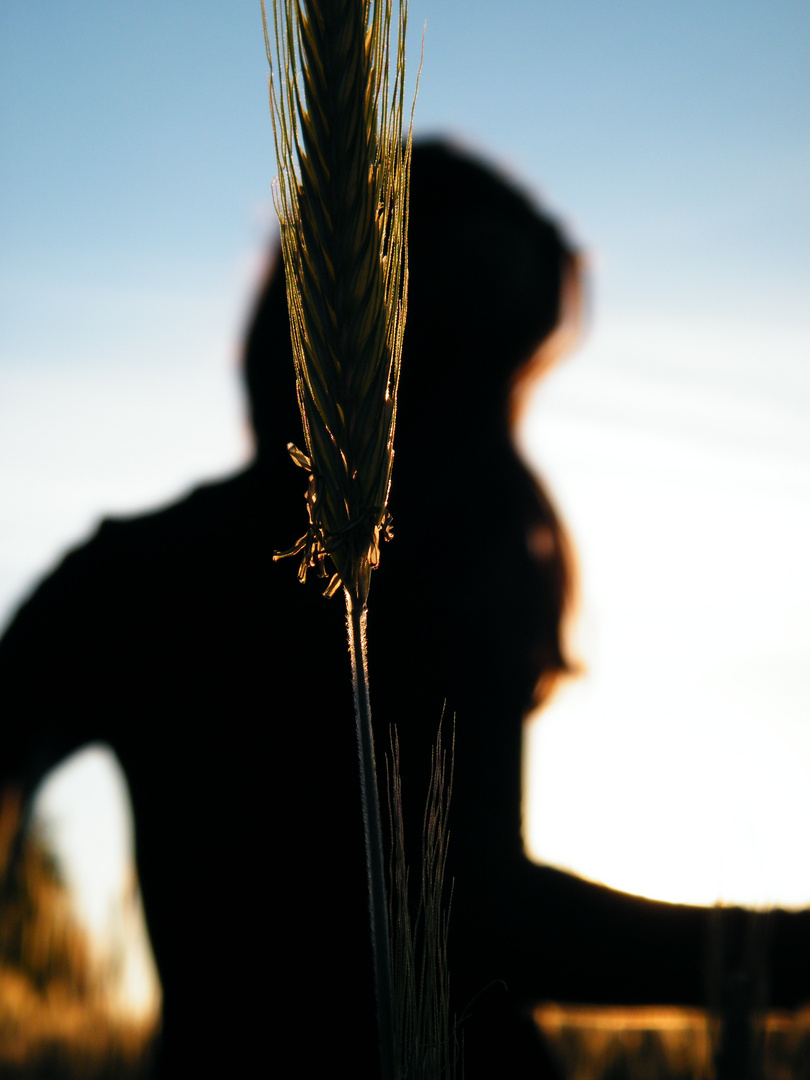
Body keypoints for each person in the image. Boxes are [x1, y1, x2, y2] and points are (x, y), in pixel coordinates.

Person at [7, 139, 806, 1078]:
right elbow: (484, 913)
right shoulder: (466, 553)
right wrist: (780, 956)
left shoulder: (128, 575)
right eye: (482, 363)